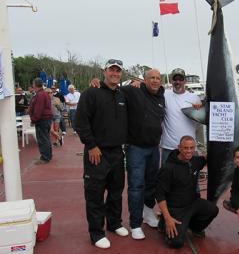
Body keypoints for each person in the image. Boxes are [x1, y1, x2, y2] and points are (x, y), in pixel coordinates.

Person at [75, 59, 129, 249]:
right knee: (95, 194)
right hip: (96, 153)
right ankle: (96, 233)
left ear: (121, 74)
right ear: (104, 71)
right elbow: (80, 122)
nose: (115, 73)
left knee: (116, 192)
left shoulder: (123, 95)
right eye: (111, 70)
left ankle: (114, 224)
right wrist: (91, 145)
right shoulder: (91, 93)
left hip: (117, 152)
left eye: (118, 71)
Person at [121, 69, 165, 240]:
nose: (155, 81)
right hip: (136, 148)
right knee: (136, 186)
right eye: (151, 78)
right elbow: (113, 89)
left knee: (151, 184)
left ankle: (147, 213)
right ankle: (135, 223)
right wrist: (97, 83)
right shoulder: (134, 91)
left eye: (158, 78)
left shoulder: (162, 96)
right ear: (144, 80)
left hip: (154, 148)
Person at [156, 135, 219, 248]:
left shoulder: (195, 161)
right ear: (179, 148)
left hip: (192, 203)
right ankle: (163, 223)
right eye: (185, 148)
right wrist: (168, 218)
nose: (189, 151)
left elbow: (206, 158)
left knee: (213, 209)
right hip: (176, 209)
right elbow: (160, 195)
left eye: (191, 148)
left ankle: (194, 228)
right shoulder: (167, 168)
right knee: (177, 243)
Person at [160, 68, 202, 164]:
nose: (178, 82)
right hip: (168, 147)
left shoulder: (194, 98)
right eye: (175, 79)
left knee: (190, 178)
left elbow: (200, 124)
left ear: (185, 81)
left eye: (181, 79)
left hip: (190, 148)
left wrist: (200, 108)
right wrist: (138, 83)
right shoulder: (164, 95)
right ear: (171, 81)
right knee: (166, 178)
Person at [28, 78, 53, 164]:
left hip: (42, 120)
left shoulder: (40, 95)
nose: (32, 85)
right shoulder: (44, 94)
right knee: (46, 138)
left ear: (35, 84)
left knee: (42, 139)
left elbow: (38, 110)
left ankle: (45, 158)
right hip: (46, 119)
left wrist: (33, 120)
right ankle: (48, 155)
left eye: (33, 83)